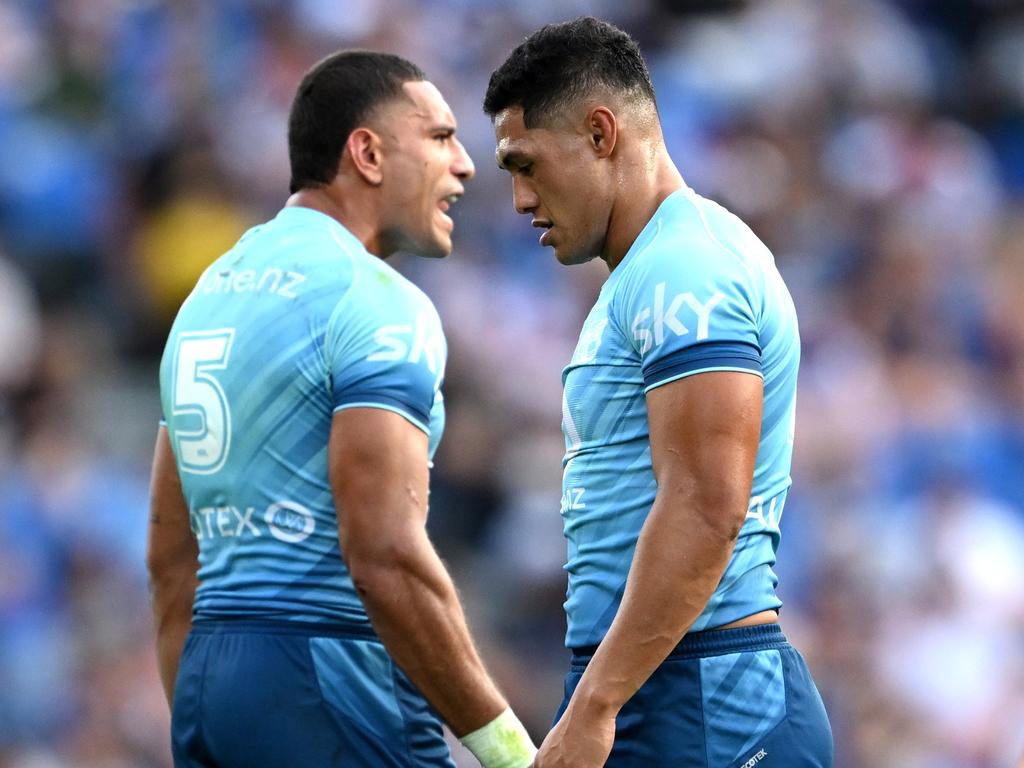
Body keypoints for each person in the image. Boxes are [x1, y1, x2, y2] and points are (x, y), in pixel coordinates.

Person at [146, 50, 536, 768]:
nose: (467, 165)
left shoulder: (207, 295)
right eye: (441, 137)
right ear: (367, 152)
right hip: (331, 674)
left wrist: (223, 716)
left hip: (212, 682)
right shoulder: (375, 301)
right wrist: (513, 752)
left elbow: (173, 563)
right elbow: (384, 555)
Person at [484, 17, 833, 768]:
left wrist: (596, 705)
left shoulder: (688, 270)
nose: (518, 199)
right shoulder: (643, 276)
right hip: (657, 683)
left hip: (706, 697)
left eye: (527, 164)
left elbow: (707, 506)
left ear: (602, 133)